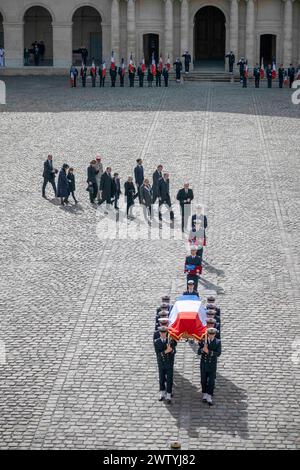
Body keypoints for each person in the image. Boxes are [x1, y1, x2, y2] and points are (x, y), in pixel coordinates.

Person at [198, 328, 221, 406]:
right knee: (203, 380)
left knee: (211, 381)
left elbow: (218, 353)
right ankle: (204, 393)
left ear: (215, 334)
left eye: (213, 334)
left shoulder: (218, 342)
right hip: (204, 364)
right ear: (207, 334)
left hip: (212, 365)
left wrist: (208, 351)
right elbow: (198, 352)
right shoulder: (203, 341)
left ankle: (209, 396)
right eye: (210, 334)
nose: (211, 336)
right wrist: (202, 349)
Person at [154, 326, 176, 403]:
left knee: (169, 378)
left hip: (169, 362)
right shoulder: (156, 342)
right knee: (161, 378)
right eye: (161, 333)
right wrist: (166, 351)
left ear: (166, 333)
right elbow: (158, 354)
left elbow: (174, 352)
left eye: (164, 333)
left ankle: (169, 394)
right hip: (161, 363)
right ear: (159, 333)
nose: (163, 334)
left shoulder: (170, 341)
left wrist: (171, 350)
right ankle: (162, 392)